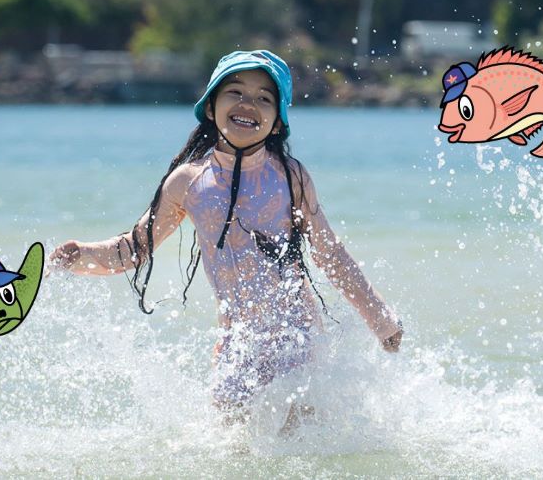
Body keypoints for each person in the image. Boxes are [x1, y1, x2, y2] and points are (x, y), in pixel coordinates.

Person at [51, 50, 403, 425]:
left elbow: (330, 254)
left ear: (278, 123)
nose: (247, 104)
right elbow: (136, 249)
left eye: (264, 98)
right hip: (238, 346)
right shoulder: (187, 182)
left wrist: (381, 320)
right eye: (235, 92)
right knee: (231, 446)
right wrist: (80, 255)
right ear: (210, 107)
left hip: (297, 339)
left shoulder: (290, 177)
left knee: (299, 438)